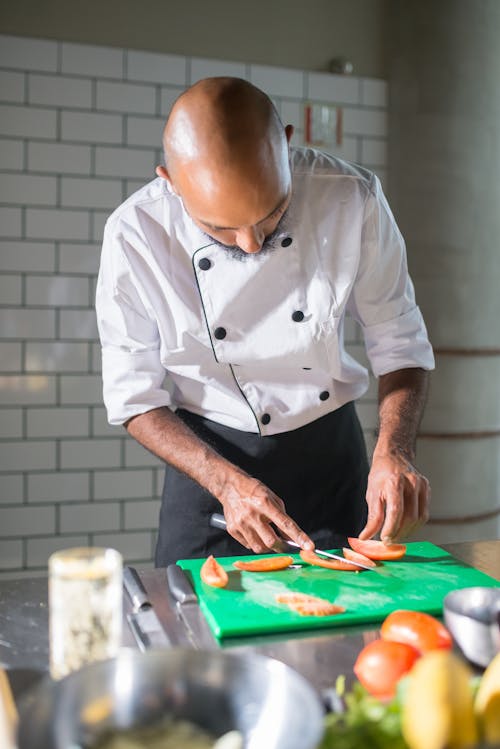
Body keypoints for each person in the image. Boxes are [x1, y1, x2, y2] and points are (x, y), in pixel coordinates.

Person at [96, 77, 434, 567]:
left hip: (329, 458)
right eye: (219, 228)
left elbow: (401, 344)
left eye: (272, 213)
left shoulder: (351, 198)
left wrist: (394, 451)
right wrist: (225, 482)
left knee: (344, 631)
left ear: (287, 146)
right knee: (194, 632)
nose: (251, 243)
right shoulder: (135, 235)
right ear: (170, 181)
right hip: (209, 466)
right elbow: (134, 398)